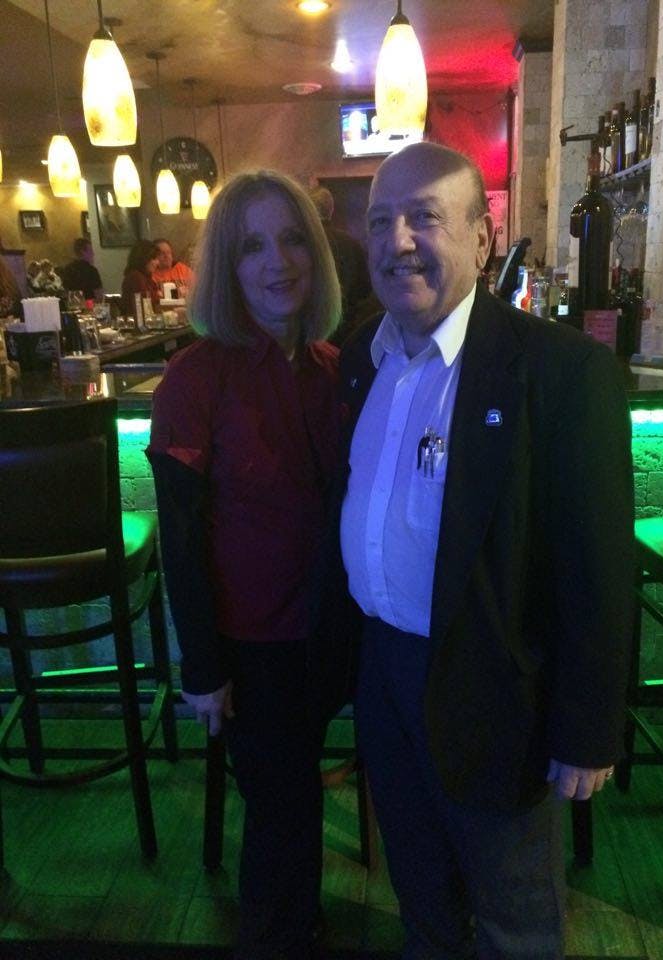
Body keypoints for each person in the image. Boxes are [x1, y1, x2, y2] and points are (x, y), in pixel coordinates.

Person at [314, 141, 635, 959]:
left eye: (425, 217)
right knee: (420, 897)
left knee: (513, 918)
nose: (398, 241)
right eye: (382, 221)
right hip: (383, 674)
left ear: (484, 236)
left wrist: (589, 728)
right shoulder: (362, 357)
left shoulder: (562, 370)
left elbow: (596, 567)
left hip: (496, 682)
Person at [147, 169, 342, 960]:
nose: (278, 260)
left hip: (329, 629)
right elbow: (181, 535)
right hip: (249, 642)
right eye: (253, 245)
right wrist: (202, 668)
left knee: (295, 801)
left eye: (293, 238)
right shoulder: (194, 378)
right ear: (226, 267)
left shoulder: (337, 367)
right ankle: (278, 936)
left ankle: (302, 925)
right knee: (281, 808)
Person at [309, 185, 373, 345]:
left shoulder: (301, 245)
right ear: (331, 209)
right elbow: (365, 290)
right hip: (347, 332)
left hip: (309, 332)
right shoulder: (350, 243)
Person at [120, 240, 160, 317]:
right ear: (144, 258)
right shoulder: (135, 277)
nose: (157, 263)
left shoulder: (146, 277)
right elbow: (145, 303)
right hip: (137, 322)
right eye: (154, 259)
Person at [60, 238, 103, 302]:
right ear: (83, 252)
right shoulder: (92, 271)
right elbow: (98, 295)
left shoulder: (67, 269)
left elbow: (65, 292)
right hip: (90, 307)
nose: (93, 254)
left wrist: (77, 302)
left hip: (74, 306)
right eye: (90, 251)